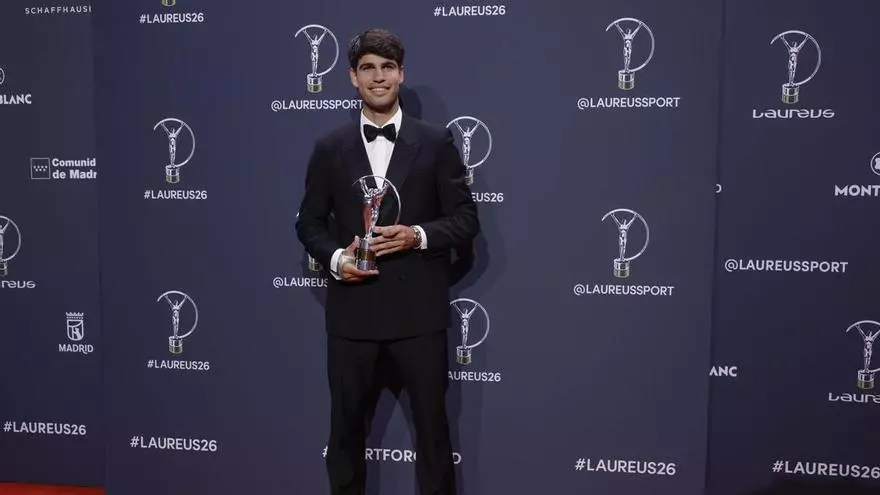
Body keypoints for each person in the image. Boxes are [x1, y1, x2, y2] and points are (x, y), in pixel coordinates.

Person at [295, 28, 480, 495]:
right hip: (352, 320)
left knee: (435, 440)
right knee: (344, 439)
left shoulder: (436, 142)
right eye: (368, 69)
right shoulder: (329, 147)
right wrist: (337, 258)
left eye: (387, 68)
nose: (379, 78)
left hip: (419, 319)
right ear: (352, 77)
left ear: (401, 74)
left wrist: (416, 236)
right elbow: (308, 224)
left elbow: (465, 220)